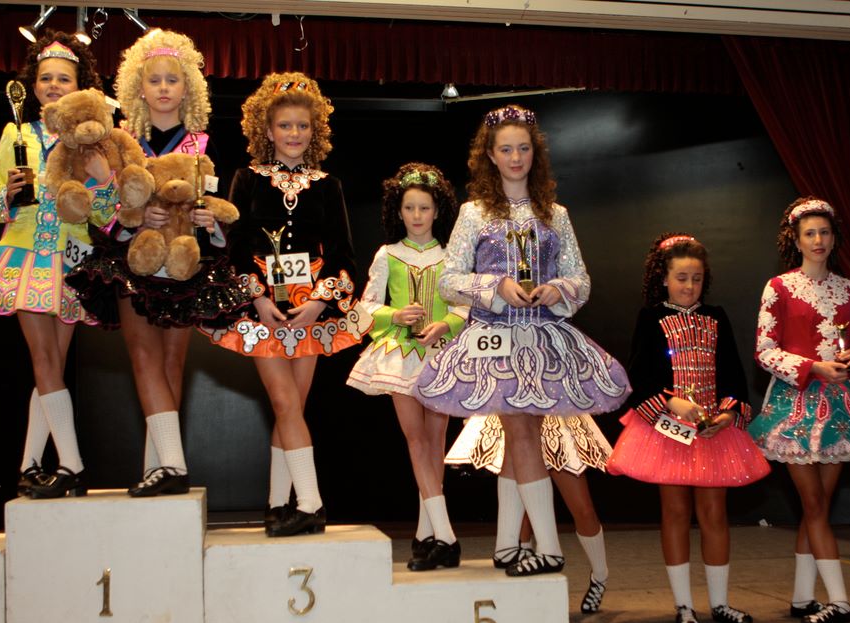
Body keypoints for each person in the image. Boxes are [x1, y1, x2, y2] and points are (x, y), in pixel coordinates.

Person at [415, 104, 631, 577]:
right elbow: (449, 281)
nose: (516, 158)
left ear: (536, 153)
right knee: (520, 431)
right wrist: (496, 287)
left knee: (522, 435)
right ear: (490, 156)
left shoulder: (557, 215)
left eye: (524, 149)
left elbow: (581, 279)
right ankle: (546, 546)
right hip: (495, 338)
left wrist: (559, 289)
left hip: (543, 337)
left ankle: (509, 544)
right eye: (506, 149)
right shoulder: (473, 214)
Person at [67, 29, 247, 497]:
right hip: (133, 261)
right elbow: (98, 206)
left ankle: (159, 466)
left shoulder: (205, 144)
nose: (164, 88)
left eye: (172, 80)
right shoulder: (120, 141)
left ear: (188, 88)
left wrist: (209, 221)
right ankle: (172, 464)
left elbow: (220, 208)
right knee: (143, 355)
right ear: (138, 88)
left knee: (172, 362)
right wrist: (133, 215)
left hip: (186, 266)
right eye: (155, 80)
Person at [205, 73, 369, 536]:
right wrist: (256, 297)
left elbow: (343, 254)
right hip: (263, 309)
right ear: (267, 130)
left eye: (302, 125)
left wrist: (318, 303)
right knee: (283, 400)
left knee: (291, 406)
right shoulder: (247, 179)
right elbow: (234, 245)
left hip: (308, 310)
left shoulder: (329, 185)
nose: (294, 134)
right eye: (285, 125)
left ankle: (278, 504)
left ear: (315, 130)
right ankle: (312, 503)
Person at [0, 31, 116, 498]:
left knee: (52, 366)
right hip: (27, 253)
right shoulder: (15, 134)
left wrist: (104, 182)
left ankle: (29, 465)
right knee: (45, 361)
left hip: (73, 260)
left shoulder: (92, 141)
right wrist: (7, 194)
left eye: (64, 79)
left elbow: (106, 216)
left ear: (81, 86)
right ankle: (72, 464)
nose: (54, 85)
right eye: (46, 77)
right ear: (32, 85)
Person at [606, 233, 769, 623]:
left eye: (696, 278)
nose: (689, 286)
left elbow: (732, 372)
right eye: (681, 277)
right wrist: (671, 402)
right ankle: (683, 605)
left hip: (712, 431)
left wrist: (728, 414)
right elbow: (638, 378)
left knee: (714, 514)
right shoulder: (650, 318)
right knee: (676, 512)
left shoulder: (717, 316)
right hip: (668, 431)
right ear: (664, 278)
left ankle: (720, 603)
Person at [749, 197, 850, 623]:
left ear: (834, 238)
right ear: (795, 240)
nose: (818, 240)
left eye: (824, 232)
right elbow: (764, 351)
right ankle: (841, 601)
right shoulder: (778, 287)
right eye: (809, 233)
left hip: (841, 405)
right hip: (794, 406)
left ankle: (802, 597)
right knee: (813, 504)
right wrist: (813, 367)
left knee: (819, 507)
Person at [347, 162, 468, 569]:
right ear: (398, 212)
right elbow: (365, 306)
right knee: (416, 441)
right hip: (400, 356)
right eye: (410, 208)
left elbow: (464, 307)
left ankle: (425, 534)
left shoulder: (451, 257)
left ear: (438, 211)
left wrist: (444, 325)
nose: (417, 216)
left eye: (424, 208)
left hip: (442, 355)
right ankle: (446, 535)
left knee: (435, 444)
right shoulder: (388, 255)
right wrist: (394, 315)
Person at [447, 413, 613, 611]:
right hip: (520, 420)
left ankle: (600, 576)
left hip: (554, 422)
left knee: (583, 510)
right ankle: (523, 551)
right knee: (526, 496)